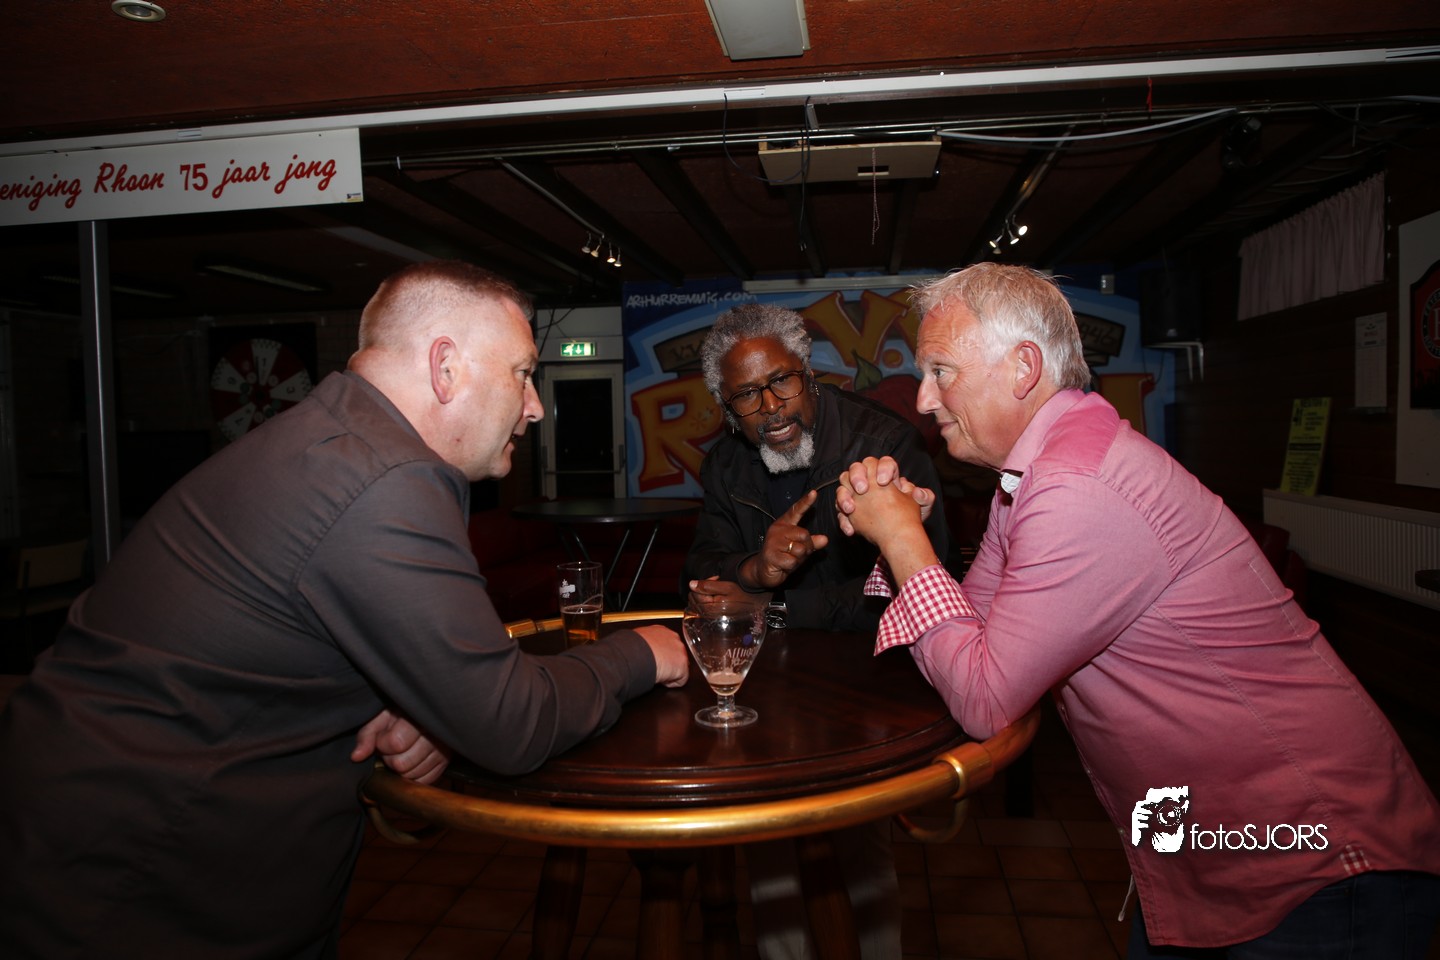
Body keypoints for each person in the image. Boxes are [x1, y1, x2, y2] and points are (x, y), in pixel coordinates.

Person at [0, 261, 689, 959]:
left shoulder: (335, 441)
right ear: (446, 367)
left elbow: (290, 639)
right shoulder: (384, 480)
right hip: (137, 875)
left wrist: (426, 702)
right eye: (521, 373)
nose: (535, 405)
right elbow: (512, 721)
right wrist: (642, 652)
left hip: (109, 837)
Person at [835, 262, 1440, 957]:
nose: (923, 398)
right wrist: (900, 542)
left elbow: (983, 696)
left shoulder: (1077, 485)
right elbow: (971, 636)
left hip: (1314, 859)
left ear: (1023, 368)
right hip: (1208, 851)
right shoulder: (1034, 474)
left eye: (941, 371)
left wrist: (903, 540)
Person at [683, 302, 949, 960]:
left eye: (782, 381)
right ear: (726, 406)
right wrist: (756, 567)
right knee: (769, 848)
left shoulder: (883, 446)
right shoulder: (725, 466)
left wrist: (775, 605)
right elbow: (705, 575)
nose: (771, 406)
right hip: (764, 689)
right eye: (746, 395)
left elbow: (920, 591)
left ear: (807, 373)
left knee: (860, 854)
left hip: (863, 682)